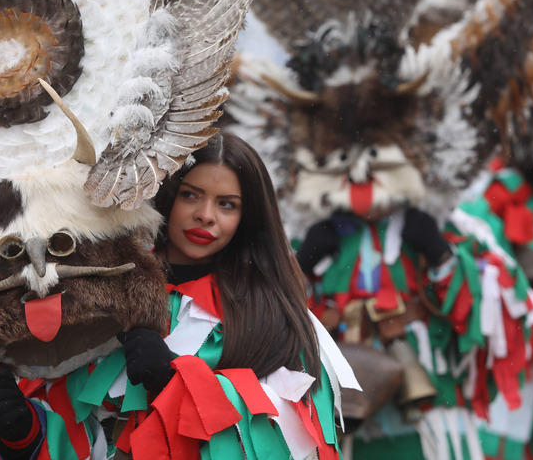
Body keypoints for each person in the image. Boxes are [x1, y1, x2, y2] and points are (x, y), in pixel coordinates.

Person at [113, 131, 360, 459]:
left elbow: (291, 432)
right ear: (167, 196)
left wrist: (174, 381)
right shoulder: (109, 292)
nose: (206, 215)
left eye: (226, 204)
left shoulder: (275, 309)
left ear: (247, 218)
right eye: (190, 195)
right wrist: (29, 428)